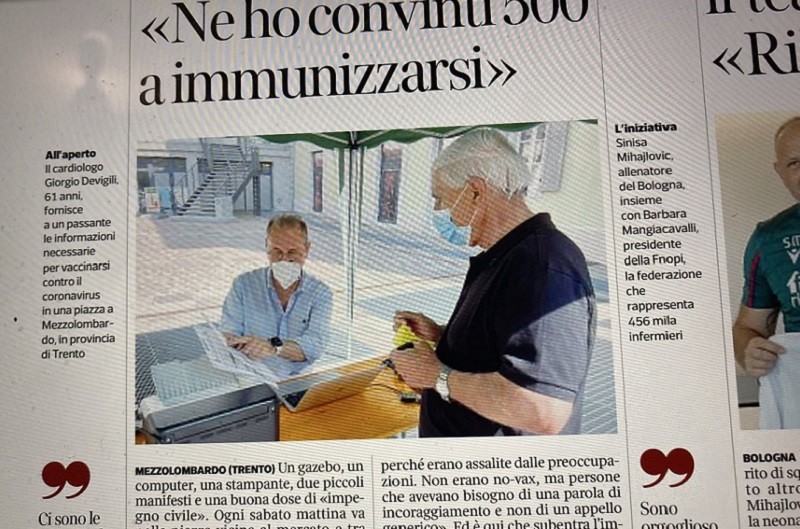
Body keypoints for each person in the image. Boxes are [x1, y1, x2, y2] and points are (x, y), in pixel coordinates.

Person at [390, 128, 596, 436]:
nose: (438, 212)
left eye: (440, 198)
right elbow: (504, 343)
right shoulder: (507, 255)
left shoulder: (542, 266)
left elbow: (542, 409)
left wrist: (437, 375)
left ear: (475, 191)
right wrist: (441, 335)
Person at [220, 213, 333, 379]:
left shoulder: (320, 293)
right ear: (267, 246)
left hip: (298, 379)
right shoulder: (243, 285)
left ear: (307, 249)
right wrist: (235, 341)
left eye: (293, 252)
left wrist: (272, 347)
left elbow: (315, 346)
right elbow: (229, 334)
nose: (284, 260)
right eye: (277, 251)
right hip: (252, 377)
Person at [733, 117, 800, 379]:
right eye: (795, 164)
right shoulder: (768, 239)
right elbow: (748, 327)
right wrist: (749, 352)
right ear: (779, 171)